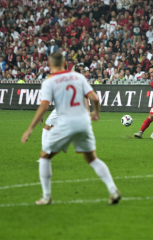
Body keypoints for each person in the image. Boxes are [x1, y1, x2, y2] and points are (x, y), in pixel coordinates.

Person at [21, 52, 121, 205]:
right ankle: (113, 190)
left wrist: (29, 129)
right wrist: (96, 114)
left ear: (50, 64)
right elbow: (94, 98)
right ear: (63, 63)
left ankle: (46, 197)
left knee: (44, 156)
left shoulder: (50, 81)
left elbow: (44, 105)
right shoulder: (78, 77)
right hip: (83, 122)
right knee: (92, 158)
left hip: (66, 123)